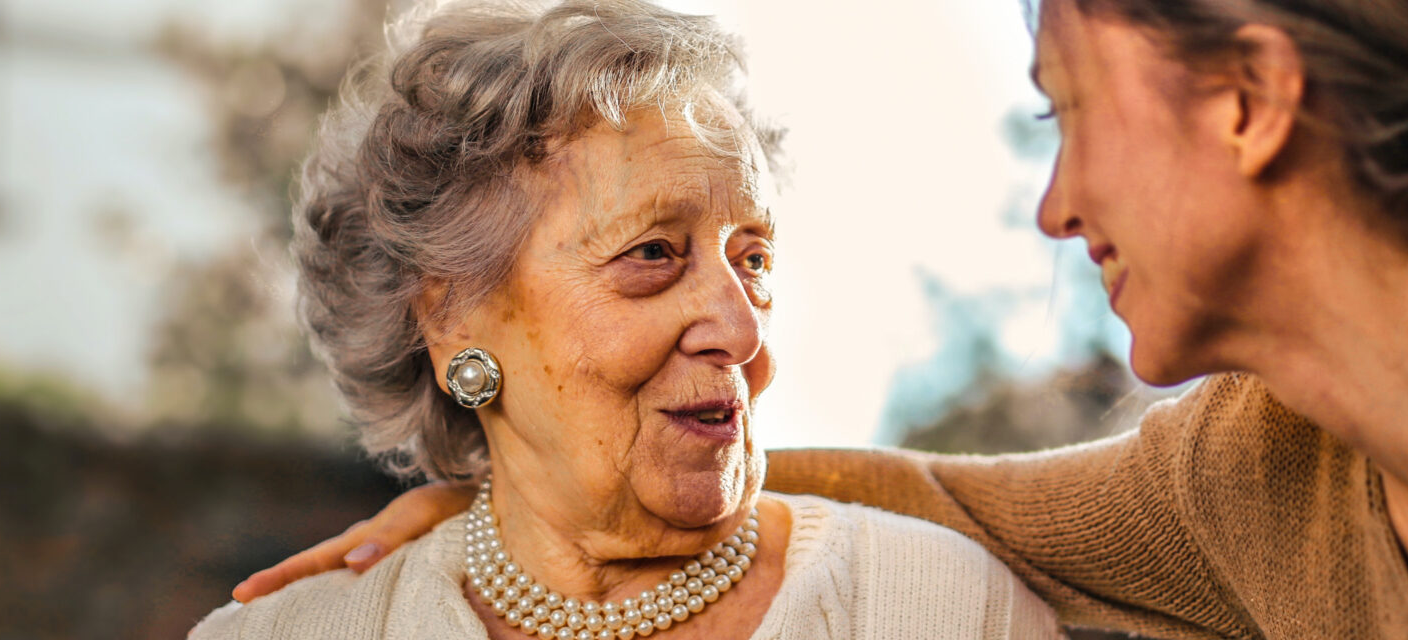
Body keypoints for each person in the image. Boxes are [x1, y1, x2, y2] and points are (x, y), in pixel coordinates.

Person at [232, 0, 1408, 637]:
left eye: (1064, 108)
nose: (1055, 206)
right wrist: (510, 487)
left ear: (1248, 104)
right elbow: (939, 501)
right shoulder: (1272, 468)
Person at [188, 1, 1062, 638]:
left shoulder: (943, 608)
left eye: (752, 259)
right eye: (653, 254)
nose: (741, 331)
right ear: (450, 315)